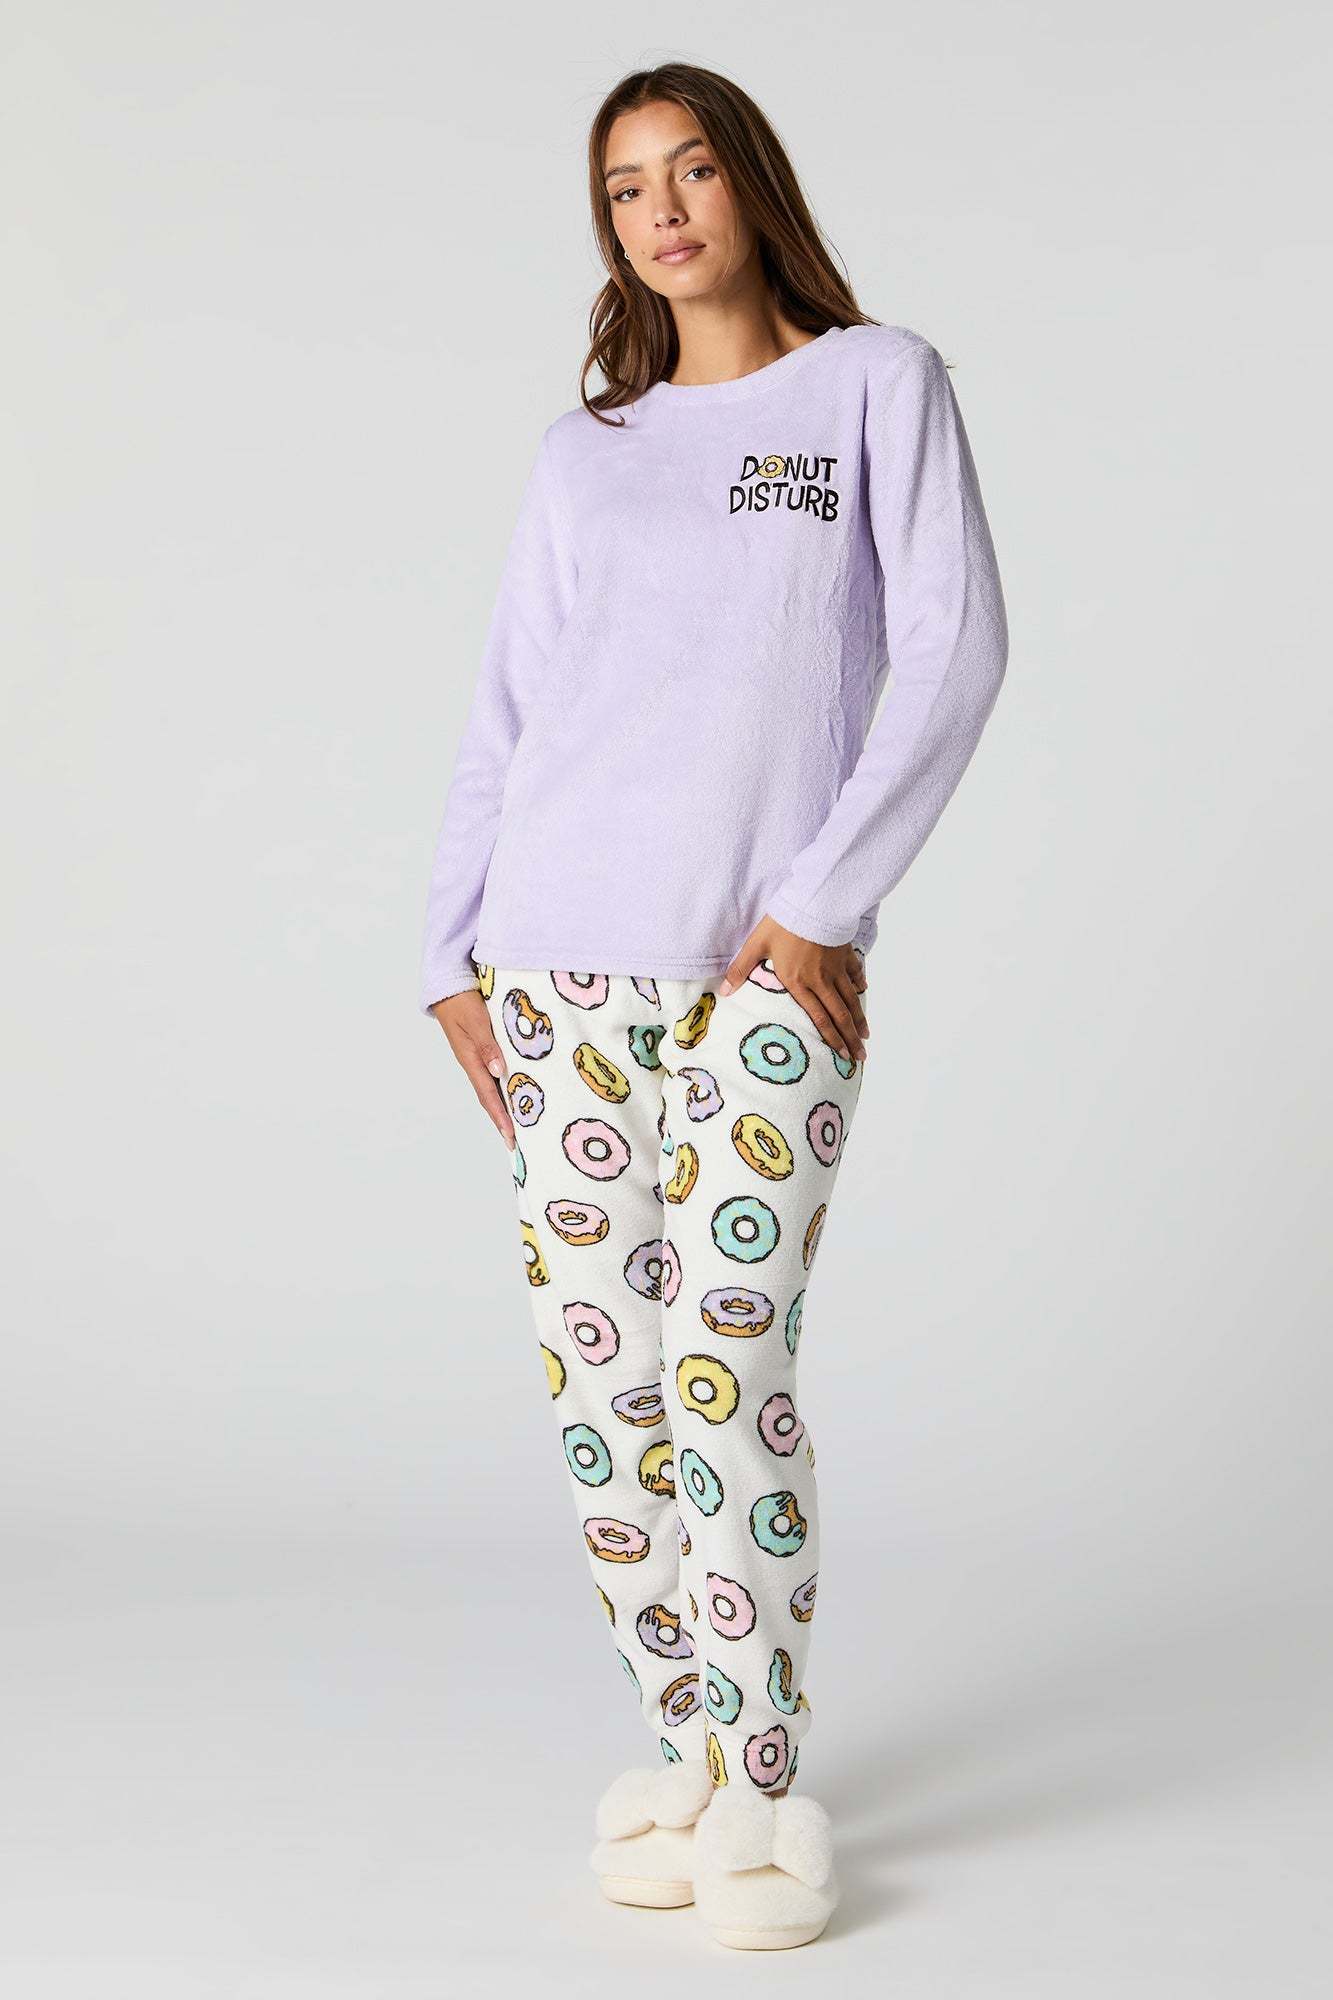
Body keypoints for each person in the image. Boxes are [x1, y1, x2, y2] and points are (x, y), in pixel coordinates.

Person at [417, 61, 1008, 1950]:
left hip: (762, 971)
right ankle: (680, 1746)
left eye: (689, 171)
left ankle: (761, 1786)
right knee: (608, 1398)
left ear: (750, 183)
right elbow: (510, 712)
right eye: (623, 188)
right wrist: (448, 955)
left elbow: (953, 651)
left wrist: (821, 902)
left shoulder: (873, 386)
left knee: (724, 1369)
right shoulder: (586, 450)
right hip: (552, 967)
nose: (661, 211)